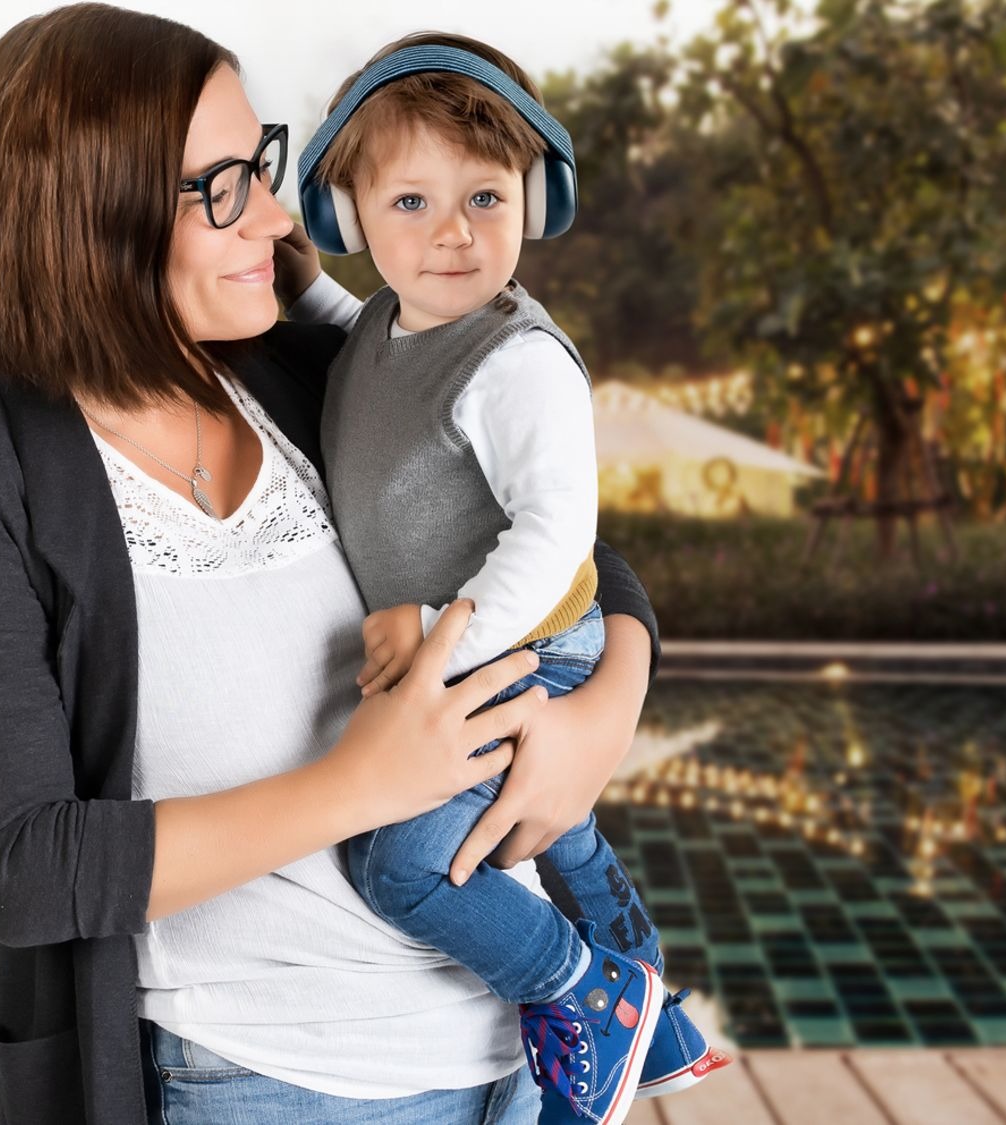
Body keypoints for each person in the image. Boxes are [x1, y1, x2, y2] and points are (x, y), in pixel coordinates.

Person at [0, 6, 660, 1123]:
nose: (281, 218)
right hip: (271, 1081)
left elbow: (562, 541)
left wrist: (604, 715)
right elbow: (26, 866)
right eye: (223, 187)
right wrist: (359, 786)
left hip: (521, 1058)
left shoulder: (297, 368)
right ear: (88, 216)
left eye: (263, 166)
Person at [283, 32, 729, 1121]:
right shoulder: (387, 324)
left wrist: (444, 634)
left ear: (535, 199)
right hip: (501, 646)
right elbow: (357, 337)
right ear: (349, 216)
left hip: (527, 644)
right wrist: (295, 276)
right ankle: (659, 1016)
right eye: (411, 203)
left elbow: (557, 533)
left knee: (402, 869)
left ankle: (579, 990)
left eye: (485, 198)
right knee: (555, 823)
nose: (452, 233)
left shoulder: (518, 362)